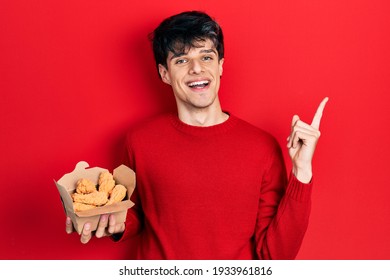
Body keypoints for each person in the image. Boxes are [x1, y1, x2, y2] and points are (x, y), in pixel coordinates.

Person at [66, 11, 328, 260]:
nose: (196, 68)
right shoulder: (139, 140)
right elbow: (136, 215)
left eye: (206, 57)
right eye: (181, 60)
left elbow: (276, 255)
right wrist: (106, 220)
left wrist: (302, 171)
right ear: (164, 74)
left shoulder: (261, 146)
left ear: (220, 66)